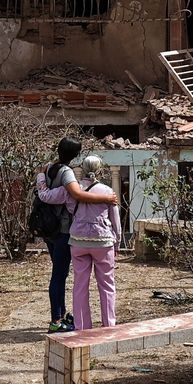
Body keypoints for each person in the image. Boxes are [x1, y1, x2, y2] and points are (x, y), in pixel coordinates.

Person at [36, 138, 118, 333]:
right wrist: (106, 199)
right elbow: (77, 195)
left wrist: (39, 177)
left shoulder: (48, 168)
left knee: (72, 280)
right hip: (67, 232)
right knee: (69, 276)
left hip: (53, 230)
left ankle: (76, 323)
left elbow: (48, 196)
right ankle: (61, 320)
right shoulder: (68, 175)